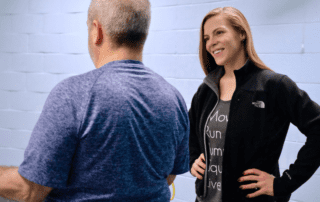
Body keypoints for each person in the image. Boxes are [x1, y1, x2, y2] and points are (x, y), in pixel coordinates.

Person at [0, 0, 190, 201]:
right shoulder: (174, 98)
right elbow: (168, 177)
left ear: (97, 31)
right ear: (143, 34)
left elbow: (30, 190)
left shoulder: (73, 94)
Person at [189, 6, 320, 202]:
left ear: (241, 33)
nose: (211, 43)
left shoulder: (273, 86)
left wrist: (283, 184)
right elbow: (188, 131)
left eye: (219, 32)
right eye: (206, 38)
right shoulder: (207, 89)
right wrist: (191, 159)